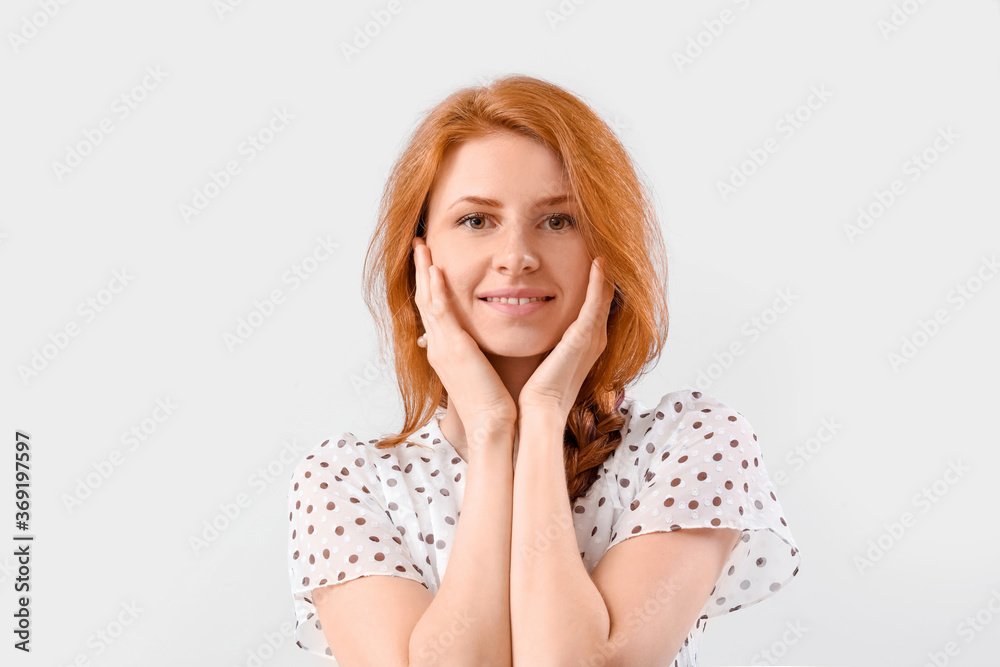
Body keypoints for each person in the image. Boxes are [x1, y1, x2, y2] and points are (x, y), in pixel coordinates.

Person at [287, 74, 802, 667]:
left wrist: (544, 413)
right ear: (420, 256)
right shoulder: (347, 480)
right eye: (477, 220)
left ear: (607, 245)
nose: (516, 256)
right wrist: (489, 427)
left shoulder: (691, 443)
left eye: (559, 221)